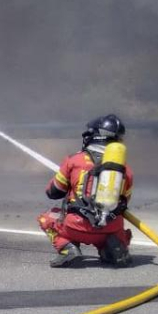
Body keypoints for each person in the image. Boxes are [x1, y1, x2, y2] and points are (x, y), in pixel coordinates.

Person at [38, 114, 134, 268]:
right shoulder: (125, 169)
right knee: (116, 229)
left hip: (75, 227)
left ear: (94, 136)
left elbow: (53, 192)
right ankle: (110, 248)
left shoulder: (74, 160)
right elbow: (125, 201)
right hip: (110, 230)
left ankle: (67, 248)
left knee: (45, 218)